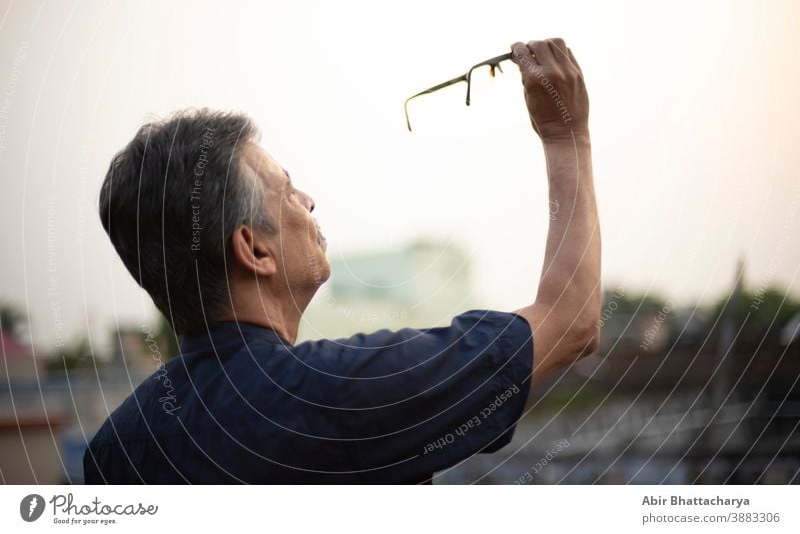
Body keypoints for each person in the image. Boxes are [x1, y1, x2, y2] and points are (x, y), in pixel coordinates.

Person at [84, 37, 600, 484]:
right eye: (286, 192)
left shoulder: (115, 449)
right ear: (254, 250)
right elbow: (572, 320)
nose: (309, 202)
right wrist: (566, 135)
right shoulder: (341, 393)